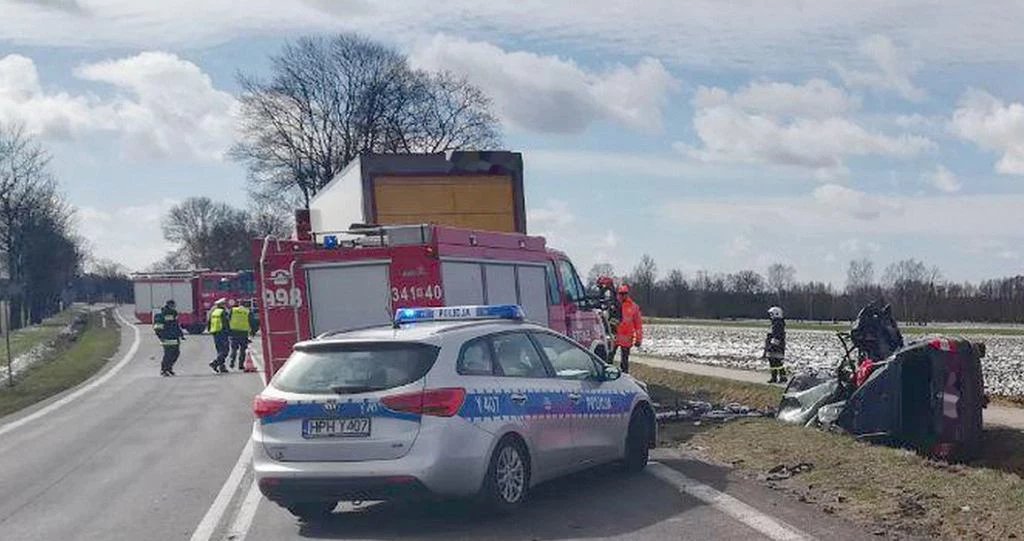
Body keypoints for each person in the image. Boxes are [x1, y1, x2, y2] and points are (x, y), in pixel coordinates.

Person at [612, 284, 643, 373]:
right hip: (614, 337)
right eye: (621, 293)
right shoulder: (613, 305)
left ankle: (625, 378)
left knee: (624, 362)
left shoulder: (634, 307)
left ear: (627, 294)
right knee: (608, 359)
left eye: (624, 293)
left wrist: (638, 339)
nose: (622, 295)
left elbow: (638, 324)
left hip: (626, 339)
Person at [153, 299, 184, 376]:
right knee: (168, 354)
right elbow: (158, 327)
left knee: (176, 353)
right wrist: (160, 336)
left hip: (174, 337)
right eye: (172, 305)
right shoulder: (162, 314)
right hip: (166, 337)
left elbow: (176, 325)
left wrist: (180, 334)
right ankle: (164, 370)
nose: (173, 307)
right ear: (169, 305)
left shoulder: (174, 313)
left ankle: (169, 368)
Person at [228, 300, 258, 370]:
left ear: (238, 304)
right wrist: (253, 333)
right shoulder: (247, 311)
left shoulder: (233, 310)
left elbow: (228, 320)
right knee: (242, 350)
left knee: (234, 348)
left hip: (234, 332)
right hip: (243, 333)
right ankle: (240, 365)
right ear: (245, 305)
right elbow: (253, 323)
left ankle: (232, 362)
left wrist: (228, 331)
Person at [763, 306, 788, 383]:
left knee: (777, 362)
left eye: (771, 314)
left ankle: (781, 377)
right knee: (774, 362)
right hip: (775, 346)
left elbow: (777, 336)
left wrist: (772, 346)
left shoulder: (778, 324)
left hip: (776, 346)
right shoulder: (775, 323)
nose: (770, 316)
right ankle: (775, 377)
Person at [208, 298, 231, 374]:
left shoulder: (213, 312)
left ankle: (222, 367)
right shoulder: (223, 312)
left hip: (215, 333)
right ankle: (215, 363)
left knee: (219, 350)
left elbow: (209, 321)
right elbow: (226, 323)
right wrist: (229, 332)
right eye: (224, 304)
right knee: (225, 350)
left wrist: (210, 330)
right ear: (222, 305)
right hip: (222, 333)